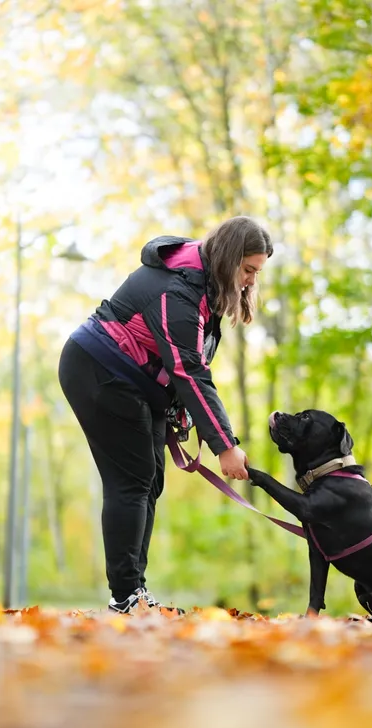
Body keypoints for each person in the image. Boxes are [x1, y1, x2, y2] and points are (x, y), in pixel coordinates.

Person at [58, 216, 273, 614]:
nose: (250, 282)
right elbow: (189, 369)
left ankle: (133, 591)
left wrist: (180, 412)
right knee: (133, 480)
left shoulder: (200, 284)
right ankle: (125, 597)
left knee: (149, 481)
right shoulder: (178, 290)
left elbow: (180, 364)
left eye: (256, 273)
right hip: (99, 369)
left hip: (135, 383)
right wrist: (224, 445)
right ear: (228, 259)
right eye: (247, 270)